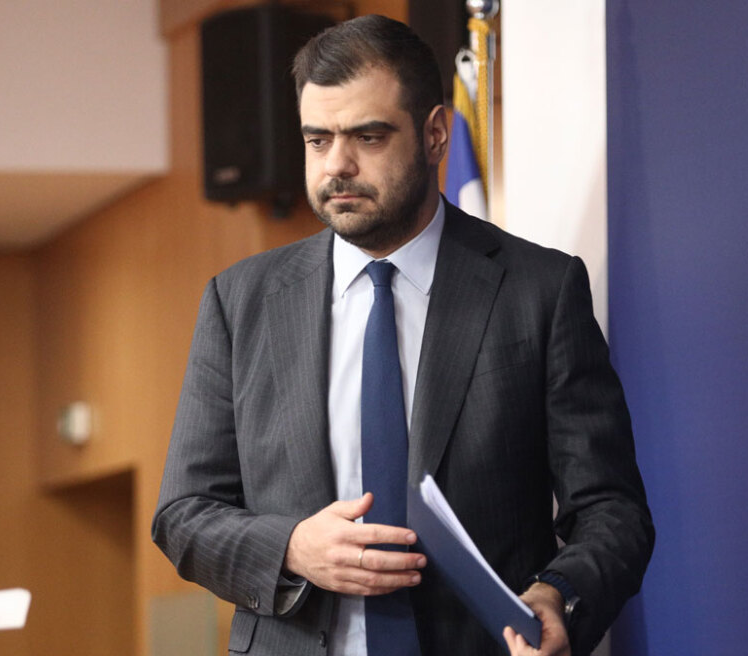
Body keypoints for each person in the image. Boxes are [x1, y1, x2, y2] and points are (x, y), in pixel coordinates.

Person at [152, 14, 653, 656]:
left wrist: (557, 594)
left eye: (368, 136)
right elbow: (185, 514)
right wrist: (292, 548)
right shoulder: (239, 301)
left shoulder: (539, 290)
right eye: (317, 140)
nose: (337, 165)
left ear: (435, 134)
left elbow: (612, 510)